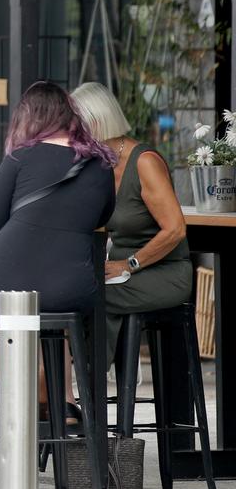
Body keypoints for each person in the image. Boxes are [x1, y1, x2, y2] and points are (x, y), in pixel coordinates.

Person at [0, 82, 116, 435]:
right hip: (70, 286)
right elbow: (102, 216)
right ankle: (64, 400)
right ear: (71, 115)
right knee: (49, 309)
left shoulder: (20, 158)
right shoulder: (100, 164)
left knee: (7, 311)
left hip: (1, 280)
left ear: (29, 119)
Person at [72, 82, 192, 363]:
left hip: (164, 272)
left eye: (76, 125)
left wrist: (130, 264)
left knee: (88, 296)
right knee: (68, 289)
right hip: (118, 271)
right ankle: (72, 381)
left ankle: (89, 379)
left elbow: (175, 229)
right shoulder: (98, 165)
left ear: (96, 121)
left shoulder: (144, 162)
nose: (72, 134)